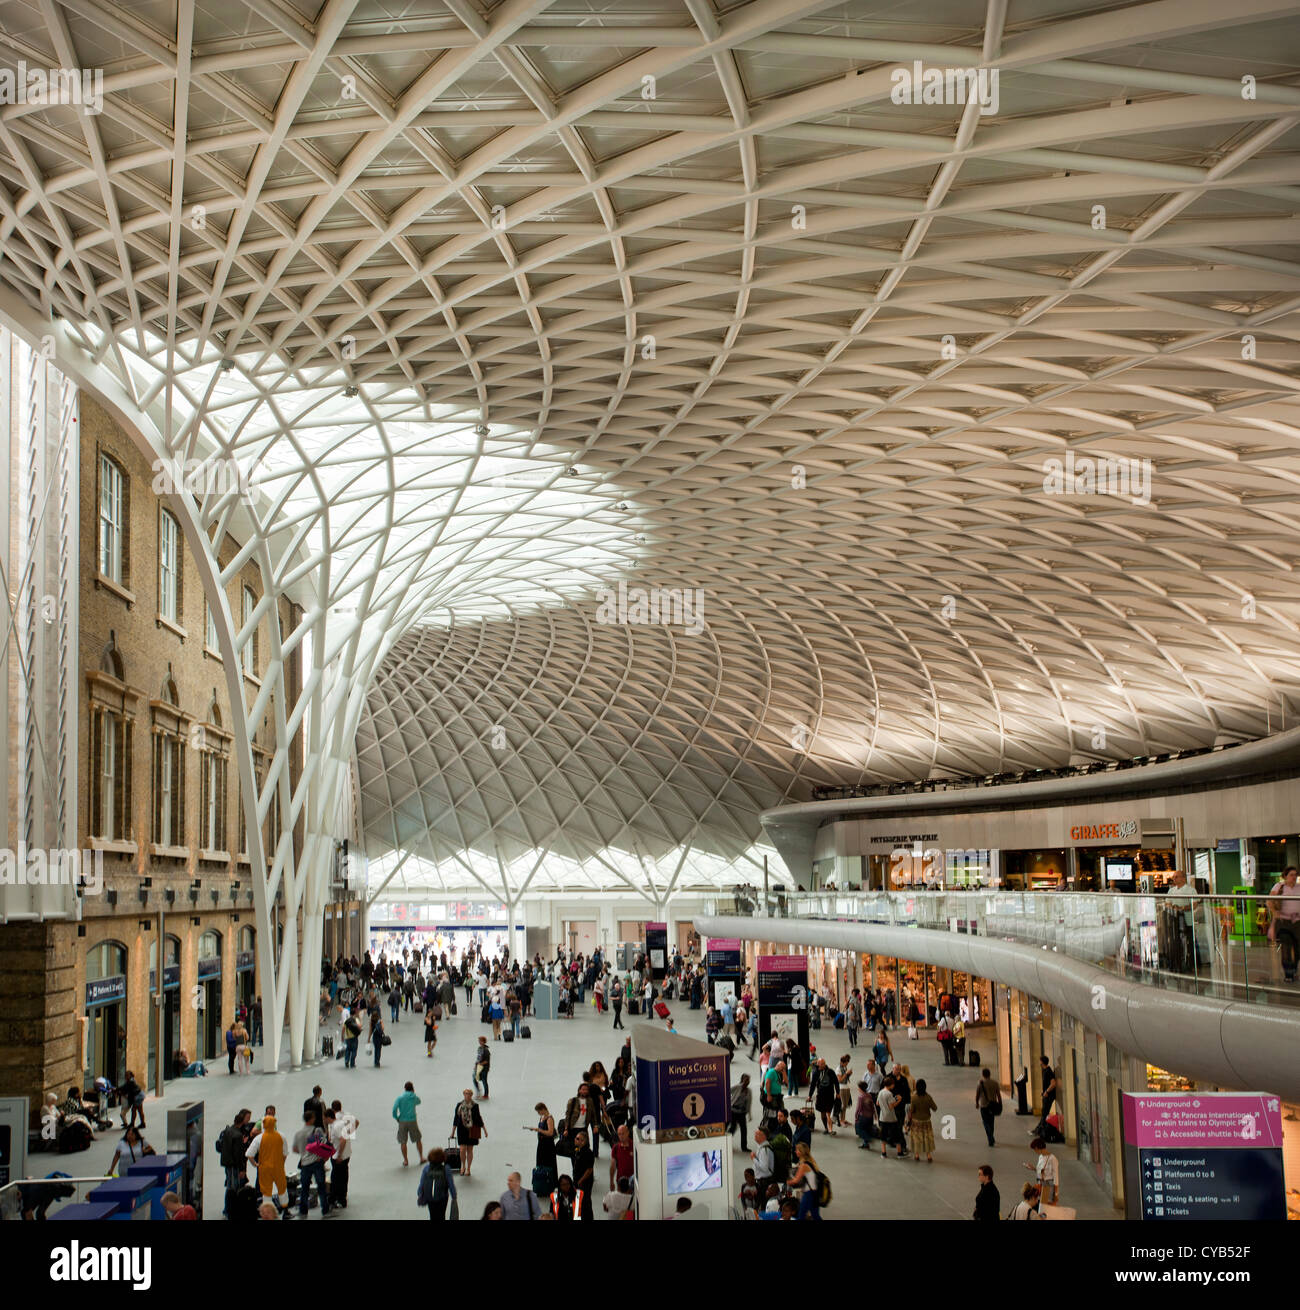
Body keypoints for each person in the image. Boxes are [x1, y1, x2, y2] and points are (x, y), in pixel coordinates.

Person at [290, 1111, 334, 1218]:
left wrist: (304, 1153)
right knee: (321, 1187)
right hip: (317, 1162)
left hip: (305, 1164)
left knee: (305, 1188)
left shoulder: (298, 1133)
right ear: (311, 1119)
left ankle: (303, 1211)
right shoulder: (317, 1131)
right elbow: (323, 1143)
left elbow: (295, 1149)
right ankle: (325, 1210)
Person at [245, 1114, 289, 1213]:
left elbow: (249, 1154)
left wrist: (255, 1164)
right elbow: (285, 1153)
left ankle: (267, 1212)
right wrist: (281, 1163)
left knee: (266, 1191)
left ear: (263, 1124)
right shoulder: (281, 1136)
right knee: (282, 1189)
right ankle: (285, 1210)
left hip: (264, 1169)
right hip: (278, 1168)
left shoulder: (259, 1138)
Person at [1268, 866, 1300, 982]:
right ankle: (1288, 974)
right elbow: (1269, 901)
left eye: (1295, 875)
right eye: (1291, 875)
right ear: (1285, 876)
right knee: (1286, 947)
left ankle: (1294, 968)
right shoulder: (1279, 887)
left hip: (1297, 922)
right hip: (1283, 922)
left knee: (1297, 948)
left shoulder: (1299, 887)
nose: (1294, 877)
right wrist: (1275, 912)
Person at [452, 1089, 486, 1177]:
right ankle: (463, 1165)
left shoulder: (475, 1106)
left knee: (470, 1150)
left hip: (471, 1130)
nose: (467, 1095)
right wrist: (452, 1132)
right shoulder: (459, 1105)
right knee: (462, 1150)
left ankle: (468, 1168)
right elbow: (456, 1119)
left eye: (469, 1094)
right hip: (461, 1129)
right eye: (466, 1093)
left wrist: (484, 1129)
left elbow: (478, 1118)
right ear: (463, 1094)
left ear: (471, 1095)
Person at [326, 1107, 355, 1210]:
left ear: (329, 1117)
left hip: (340, 1157)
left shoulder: (336, 1127)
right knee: (343, 1177)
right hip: (346, 1155)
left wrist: (339, 1155)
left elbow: (343, 1140)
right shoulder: (341, 1123)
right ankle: (342, 1198)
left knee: (336, 1178)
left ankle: (336, 1199)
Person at [418, 1147, 457, 1220]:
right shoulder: (446, 1169)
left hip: (429, 1197)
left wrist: (420, 1194)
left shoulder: (426, 1168)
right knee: (441, 1214)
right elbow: (451, 1185)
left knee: (432, 1215)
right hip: (442, 1197)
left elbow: (422, 1183)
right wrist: (454, 1196)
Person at [906, 1077, 938, 1163]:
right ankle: (928, 1155)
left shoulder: (914, 1098)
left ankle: (917, 1155)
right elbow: (935, 1108)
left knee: (917, 1138)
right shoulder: (928, 1097)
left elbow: (911, 1110)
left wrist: (909, 1120)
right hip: (926, 1121)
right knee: (927, 1138)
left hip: (916, 1122)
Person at [393, 1081, 423, 1167]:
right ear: (412, 1088)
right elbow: (419, 1102)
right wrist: (413, 1094)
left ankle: (406, 1160)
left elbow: (394, 1109)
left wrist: (396, 1117)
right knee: (418, 1139)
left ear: (405, 1088)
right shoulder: (413, 1097)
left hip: (402, 1120)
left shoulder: (400, 1098)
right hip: (412, 1120)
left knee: (403, 1141)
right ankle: (421, 1157)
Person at [789, 1142, 822, 1221]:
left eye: (797, 1150)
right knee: (815, 1215)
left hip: (809, 1194)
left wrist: (786, 1181)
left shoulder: (804, 1165)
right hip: (814, 1193)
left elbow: (796, 1180)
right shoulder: (809, 1162)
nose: (795, 1151)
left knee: (801, 1215)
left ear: (801, 1152)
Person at [1027, 1137, 1060, 1205]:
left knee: (1047, 1205)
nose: (1035, 1152)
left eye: (1035, 1149)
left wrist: (1056, 1194)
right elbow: (1042, 1172)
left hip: (1048, 1185)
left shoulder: (1053, 1159)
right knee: (1041, 1204)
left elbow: (1056, 1177)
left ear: (1037, 1148)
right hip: (1040, 1184)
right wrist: (1033, 1168)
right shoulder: (1041, 1157)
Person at [810, 1058, 838, 1134]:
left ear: (825, 1063)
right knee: (823, 1113)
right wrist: (810, 1095)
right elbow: (813, 1084)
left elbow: (836, 1082)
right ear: (818, 1064)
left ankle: (830, 1130)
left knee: (828, 1113)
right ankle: (826, 1128)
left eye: (823, 1064)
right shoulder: (816, 1073)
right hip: (821, 1096)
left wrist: (838, 1093)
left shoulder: (830, 1072)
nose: (821, 1065)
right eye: (820, 1064)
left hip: (829, 1095)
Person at [976, 1067, 1002, 1147]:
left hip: (984, 1105)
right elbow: (998, 1095)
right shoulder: (995, 1083)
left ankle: (990, 1138)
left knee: (985, 1122)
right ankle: (991, 1137)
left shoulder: (980, 1083)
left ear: (983, 1075)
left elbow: (977, 1095)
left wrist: (976, 1103)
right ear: (989, 1074)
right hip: (993, 1105)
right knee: (991, 1122)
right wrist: (1000, 1104)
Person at [728, 1073, 752, 1151]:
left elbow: (749, 1103)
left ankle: (744, 1147)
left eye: (748, 1080)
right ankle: (726, 1142)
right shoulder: (737, 1087)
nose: (747, 1081)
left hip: (742, 1112)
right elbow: (727, 1091)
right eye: (746, 1080)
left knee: (744, 1129)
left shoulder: (749, 1091)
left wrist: (749, 1114)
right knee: (732, 1128)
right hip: (733, 1111)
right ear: (742, 1080)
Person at [609, 1122, 635, 1192]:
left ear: (628, 1133)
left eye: (623, 1133)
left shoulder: (635, 1146)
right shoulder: (616, 1148)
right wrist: (611, 1181)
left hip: (632, 1182)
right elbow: (613, 1166)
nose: (621, 1136)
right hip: (620, 1182)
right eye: (619, 1134)